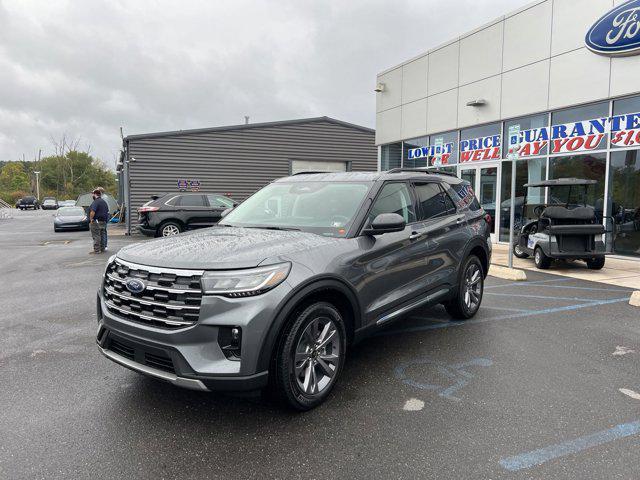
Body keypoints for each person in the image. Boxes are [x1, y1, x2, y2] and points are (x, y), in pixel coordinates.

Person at [89, 188, 109, 254]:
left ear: (95, 194)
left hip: (96, 221)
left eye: (92, 194)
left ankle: (97, 250)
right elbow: (107, 211)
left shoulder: (96, 202)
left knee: (96, 235)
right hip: (103, 221)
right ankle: (102, 248)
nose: (92, 196)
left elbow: (92, 211)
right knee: (102, 235)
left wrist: (91, 219)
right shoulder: (104, 202)